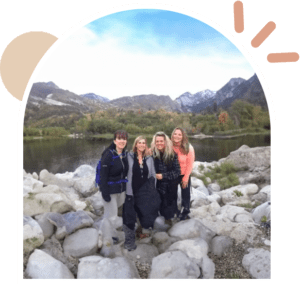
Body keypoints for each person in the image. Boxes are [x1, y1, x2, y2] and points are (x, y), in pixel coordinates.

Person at [122, 136, 159, 251]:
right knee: (129, 216)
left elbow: (153, 175)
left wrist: (151, 188)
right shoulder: (129, 156)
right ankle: (129, 242)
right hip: (131, 191)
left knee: (144, 212)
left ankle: (141, 232)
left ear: (145, 145)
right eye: (139, 143)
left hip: (144, 191)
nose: (142, 145)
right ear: (136, 144)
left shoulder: (149, 159)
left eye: (144, 143)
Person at [99, 130, 129, 230]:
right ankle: (106, 236)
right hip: (110, 190)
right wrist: (105, 193)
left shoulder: (124, 154)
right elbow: (102, 175)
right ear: (114, 141)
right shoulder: (108, 154)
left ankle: (110, 232)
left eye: (124, 139)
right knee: (111, 216)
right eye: (119, 139)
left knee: (114, 214)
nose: (122, 141)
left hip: (120, 190)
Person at [151, 131, 181, 224]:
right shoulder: (153, 154)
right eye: (157, 141)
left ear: (165, 142)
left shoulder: (172, 154)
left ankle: (170, 222)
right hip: (158, 187)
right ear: (154, 142)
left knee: (169, 212)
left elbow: (177, 172)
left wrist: (163, 176)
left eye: (161, 141)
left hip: (170, 187)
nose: (159, 143)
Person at [171, 127, 195, 221]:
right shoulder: (169, 145)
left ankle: (185, 211)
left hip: (184, 174)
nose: (177, 136)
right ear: (172, 135)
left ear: (183, 136)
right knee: (172, 194)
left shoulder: (188, 147)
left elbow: (190, 164)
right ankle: (175, 211)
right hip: (173, 174)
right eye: (175, 134)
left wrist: (186, 178)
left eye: (179, 134)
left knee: (185, 193)